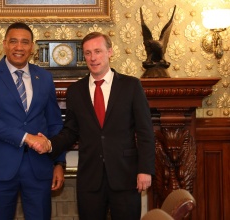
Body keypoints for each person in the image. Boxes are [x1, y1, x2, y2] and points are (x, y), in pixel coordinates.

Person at [33, 32, 155, 220]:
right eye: (88, 53)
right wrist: (49, 144)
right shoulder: (75, 91)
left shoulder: (131, 86)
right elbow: (71, 131)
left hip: (125, 176)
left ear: (110, 52)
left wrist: (145, 169)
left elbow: (145, 131)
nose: (93, 58)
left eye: (98, 51)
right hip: (90, 180)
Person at [0, 22, 66, 220]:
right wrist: (26, 137)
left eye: (25, 42)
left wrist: (59, 163)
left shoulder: (45, 77)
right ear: (4, 44)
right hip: (0, 166)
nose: (19, 47)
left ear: (32, 47)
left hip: (39, 168)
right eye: (13, 41)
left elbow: (55, 123)